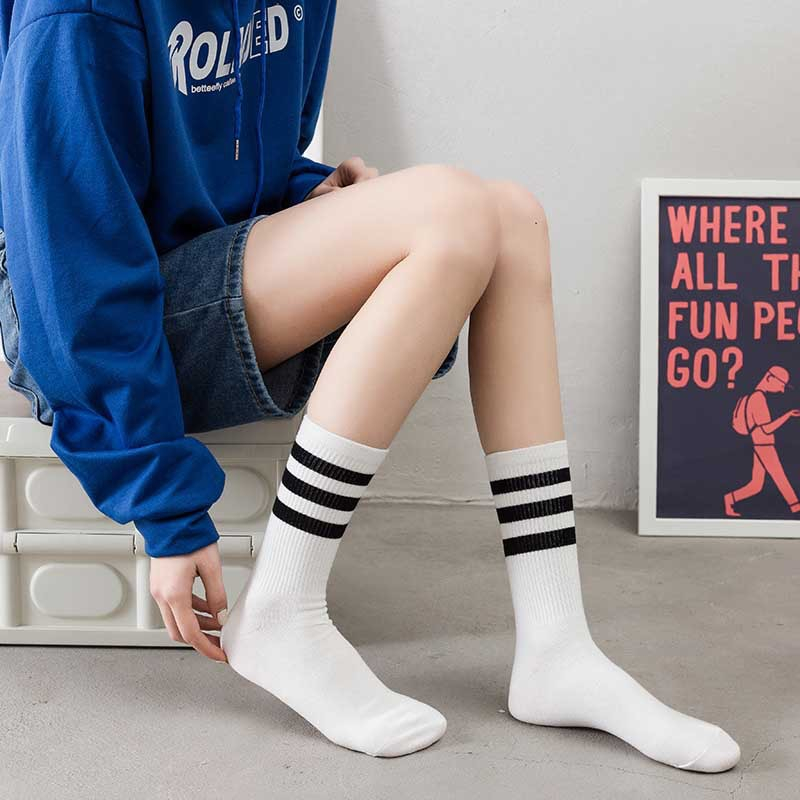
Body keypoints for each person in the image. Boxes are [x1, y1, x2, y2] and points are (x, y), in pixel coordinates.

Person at [0, 0, 740, 771]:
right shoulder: (76, 12)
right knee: (452, 208)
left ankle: (557, 645)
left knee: (510, 216)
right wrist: (165, 509)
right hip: (79, 317)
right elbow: (68, 267)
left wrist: (315, 197)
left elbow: (249, 156)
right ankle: (282, 609)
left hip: (199, 271)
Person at [725, 366, 800, 516]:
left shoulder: (755, 397)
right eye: (781, 385)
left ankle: (729, 499)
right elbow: (766, 429)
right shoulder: (758, 398)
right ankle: (796, 507)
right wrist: (787, 416)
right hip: (764, 445)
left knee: (756, 485)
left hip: (760, 444)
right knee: (779, 476)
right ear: (769, 378)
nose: (782, 391)